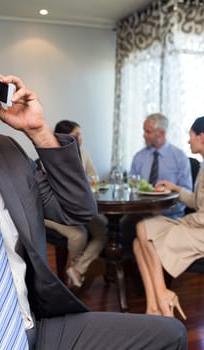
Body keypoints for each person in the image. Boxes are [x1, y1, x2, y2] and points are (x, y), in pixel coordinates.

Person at [0, 14, 187, 350]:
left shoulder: (8, 151)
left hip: (35, 329)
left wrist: (39, 131)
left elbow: (77, 210)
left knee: (170, 335)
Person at [133, 116, 204, 319]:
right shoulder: (202, 166)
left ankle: (161, 301)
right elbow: (197, 202)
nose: (189, 141)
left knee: (143, 231)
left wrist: (187, 222)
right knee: (140, 239)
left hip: (199, 230)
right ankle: (155, 305)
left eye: (191, 136)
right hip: (195, 224)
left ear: (202, 137)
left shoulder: (184, 158)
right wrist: (176, 189)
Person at [44, 120, 108, 288]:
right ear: (64, 137)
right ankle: (74, 276)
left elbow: (94, 179)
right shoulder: (50, 155)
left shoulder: (83, 154)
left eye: (80, 134)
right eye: (76, 135)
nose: (80, 139)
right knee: (79, 235)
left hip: (79, 208)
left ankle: (77, 269)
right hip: (55, 211)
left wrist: (87, 184)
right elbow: (54, 189)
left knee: (103, 229)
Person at [119, 113, 192, 251]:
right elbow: (131, 186)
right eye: (144, 131)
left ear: (162, 133)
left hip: (169, 216)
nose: (144, 135)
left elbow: (187, 192)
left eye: (148, 131)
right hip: (139, 214)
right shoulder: (139, 157)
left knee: (144, 232)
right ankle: (125, 269)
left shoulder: (179, 157)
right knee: (118, 228)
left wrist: (163, 208)